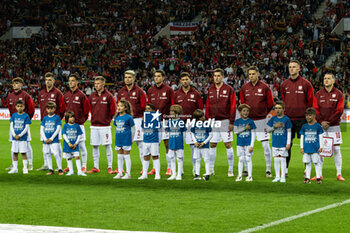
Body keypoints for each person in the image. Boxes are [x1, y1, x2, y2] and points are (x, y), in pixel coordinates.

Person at [280, 60, 314, 176]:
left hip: (303, 120)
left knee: (306, 145)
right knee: (287, 145)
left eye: (294, 67)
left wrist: (308, 117)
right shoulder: (284, 84)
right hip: (289, 119)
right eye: (290, 67)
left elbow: (310, 102)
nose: (292, 69)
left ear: (299, 68)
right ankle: (285, 170)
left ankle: (307, 171)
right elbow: (284, 101)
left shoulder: (306, 84)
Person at [240, 66, 274, 177]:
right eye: (249, 74)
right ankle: (245, 169)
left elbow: (270, 104)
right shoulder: (244, 88)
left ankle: (268, 169)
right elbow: (242, 104)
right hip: (248, 121)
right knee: (246, 146)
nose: (251, 76)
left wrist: (263, 113)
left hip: (261, 121)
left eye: (253, 74)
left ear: (258, 74)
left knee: (265, 146)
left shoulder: (265, 87)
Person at [313, 73, 345, 181]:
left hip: (334, 126)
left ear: (333, 81)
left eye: (328, 78)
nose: (326, 80)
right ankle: (319, 174)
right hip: (320, 126)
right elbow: (315, 109)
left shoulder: (339, 94)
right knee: (319, 149)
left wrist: (329, 122)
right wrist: (321, 121)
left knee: (336, 149)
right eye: (324, 78)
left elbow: (339, 110)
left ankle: (339, 173)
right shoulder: (318, 94)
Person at [205, 68, 236, 176]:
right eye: (215, 76)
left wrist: (231, 121)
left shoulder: (229, 89)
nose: (216, 78)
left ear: (223, 77)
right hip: (213, 121)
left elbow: (233, 106)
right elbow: (207, 105)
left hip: (225, 121)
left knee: (228, 144)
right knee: (212, 144)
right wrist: (207, 120)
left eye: (218, 76)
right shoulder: (210, 89)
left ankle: (230, 169)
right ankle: (211, 169)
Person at [174, 72, 203, 176]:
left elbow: (199, 109)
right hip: (179, 123)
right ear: (180, 81)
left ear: (190, 80)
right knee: (178, 147)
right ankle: (180, 170)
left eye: (186, 79)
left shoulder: (196, 94)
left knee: (194, 147)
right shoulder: (176, 94)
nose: (185, 81)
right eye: (183, 80)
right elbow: (173, 109)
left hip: (192, 123)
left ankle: (195, 169)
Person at [117, 70, 146, 174]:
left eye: (129, 77)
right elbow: (119, 106)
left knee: (140, 145)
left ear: (134, 78)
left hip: (137, 120)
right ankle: (121, 170)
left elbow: (143, 106)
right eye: (125, 77)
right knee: (122, 145)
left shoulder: (140, 92)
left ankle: (144, 168)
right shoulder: (121, 92)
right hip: (124, 121)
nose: (127, 79)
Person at [147, 70, 175, 176]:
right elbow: (149, 106)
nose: (156, 78)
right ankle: (155, 168)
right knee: (154, 145)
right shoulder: (150, 90)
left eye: (159, 76)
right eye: (155, 76)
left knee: (167, 144)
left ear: (163, 77)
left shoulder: (169, 90)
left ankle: (169, 168)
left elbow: (172, 105)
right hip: (154, 121)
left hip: (166, 120)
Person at [87, 76, 117, 174]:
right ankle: (96, 166)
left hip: (105, 126)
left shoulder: (109, 96)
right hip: (94, 125)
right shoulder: (92, 96)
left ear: (103, 84)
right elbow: (89, 108)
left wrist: (107, 119)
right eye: (95, 84)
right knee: (94, 146)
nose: (96, 86)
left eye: (98, 83)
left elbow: (113, 110)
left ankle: (109, 167)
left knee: (107, 146)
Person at [37, 72, 66, 171]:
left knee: (57, 144)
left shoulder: (58, 93)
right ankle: (46, 164)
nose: (48, 82)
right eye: (46, 80)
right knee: (45, 143)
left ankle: (59, 166)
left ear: (53, 81)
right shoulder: (41, 93)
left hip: (55, 123)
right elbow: (41, 108)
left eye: (50, 80)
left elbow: (62, 108)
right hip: (45, 123)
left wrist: (57, 119)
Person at [63, 72, 90, 173]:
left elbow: (86, 111)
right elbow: (63, 109)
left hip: (79, 125)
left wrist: (81, 121)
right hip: (69, 126)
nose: (70, 83)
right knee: (68, 145)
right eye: (69, 81)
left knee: (81, 146)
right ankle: (69, 166)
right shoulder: (66, 96)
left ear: (77, 82)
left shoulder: (82, 95)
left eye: (73, 80)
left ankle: (84, 166)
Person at [6, 77, 35, 171]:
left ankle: (30, 164)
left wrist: (26, 120)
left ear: (22, 84)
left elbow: (31, 109)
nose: (14, 85)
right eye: (13, 83)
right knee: (13, 144)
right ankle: (14, 165)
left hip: (24, 124)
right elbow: (10, 110)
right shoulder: (10, 96)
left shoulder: (26, 96)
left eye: (17, 83)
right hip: (14, 125)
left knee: (27, 144)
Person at [267, 101, 292, 183]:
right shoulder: (273, 119)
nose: (277, 110)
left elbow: (289, 132)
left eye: (279, 108)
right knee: (276, 159)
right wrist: (275, 126)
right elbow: (267, 130)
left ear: (283, 109)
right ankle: (277, 176)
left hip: (283, 143)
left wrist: (288, 143)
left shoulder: (286, 119)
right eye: (276, 108)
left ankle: (283, 177)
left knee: (283, 159)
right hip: (275, 142)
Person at [300, 108, 324, 184]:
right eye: (307, 115)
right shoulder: (304, 126)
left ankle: (318, 178)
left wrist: (321, 146)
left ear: (314, 115)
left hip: (315, 148)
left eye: (310, 115)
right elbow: (302, 137)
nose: (308, 117)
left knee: (316, 163)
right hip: (307, 148)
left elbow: (321, 136)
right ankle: (307, 178)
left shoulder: (318, 126)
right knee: (307, 163)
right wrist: (301, 147)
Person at [233, 104, 256, 182]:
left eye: (247, 111)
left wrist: (252, 145)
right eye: (244, 111)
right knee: (241, 159)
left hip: (248, 143)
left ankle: (250, 176)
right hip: (240, 143)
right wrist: (244, 128)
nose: (246, 112)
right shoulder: (237, 121)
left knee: (248, 159)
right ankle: (239, 175)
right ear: (240, 112)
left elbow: (253, 134)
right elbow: (235, 132)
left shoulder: (251, 121)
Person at [138, 103, 161, 180]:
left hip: (154, 140)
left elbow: (159, 130)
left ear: (153, 110)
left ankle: (157, 174)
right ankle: (144, 174)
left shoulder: (156, 118)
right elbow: (142, 129)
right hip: (145, 140)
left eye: (149, 109)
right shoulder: (144, 119)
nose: (147, 110)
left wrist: (158, 141)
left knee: (155, 156)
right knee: (145, 157)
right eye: (146, 109)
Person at [8, 100, 31, 174]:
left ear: (24, 107)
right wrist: (14, 135)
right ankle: (15, 168)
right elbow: (11, 126)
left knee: (23, 153)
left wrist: (20, 135)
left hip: (22, 138)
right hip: (14, 138)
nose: (19, 108)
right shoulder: (14, 115)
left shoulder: (26, 116)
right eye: (18, 106)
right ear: (16, 107)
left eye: (21, 106)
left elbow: (26, 127)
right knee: (15, 152)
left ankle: (25, 168)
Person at [113, 100, 135, 179]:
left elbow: (133, 129)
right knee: (119, 156)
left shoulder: (129, 117)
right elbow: (116, 126)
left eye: (121, 106)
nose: (119, 107)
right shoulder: (117, 117)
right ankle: (120, 172)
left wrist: (132, 139)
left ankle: (128, 173)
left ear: (125, 108)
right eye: (118, 106)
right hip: (118, 139)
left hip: (126, 139)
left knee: (126, 156)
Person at [190, 109, 213, 181]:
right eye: (202, 116)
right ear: (199, 118)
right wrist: (195, 142)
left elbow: (211, 135)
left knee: (206, 160)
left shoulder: (207, 124)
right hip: (197, 146)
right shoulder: (194, 125)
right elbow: (192, 133)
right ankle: (197, 175)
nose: (204, 117)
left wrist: (204, 142)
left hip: (205, 146)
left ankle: (207, 174)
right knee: (197, 160)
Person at [40, 102, 63, 175]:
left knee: (56, 154)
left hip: (54, 140)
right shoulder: (45, 118)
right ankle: (51, 169)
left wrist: (52, 138)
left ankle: (60, 169)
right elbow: (42, 129)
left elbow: (58, 128)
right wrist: (44, 138)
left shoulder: (57, 117)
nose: (50, 110)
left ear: (54, 109)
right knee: (47, 154)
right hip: (46, 140)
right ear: (46, 109)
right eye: (48, 109)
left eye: (52, 108)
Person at [62, 111, 86, 176]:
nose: (72, 119)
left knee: (77, 157)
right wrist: (68, 143)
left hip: (75, 145)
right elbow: (64, 135)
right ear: (67, 118)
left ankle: (79, 171)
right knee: (69, 158)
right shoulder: (65, 126)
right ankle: (71, 171)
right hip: (67, 145)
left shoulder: (77, 126)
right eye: (70, 117)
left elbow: (79, 135)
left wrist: (76, 143)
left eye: (73, 117)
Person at [166, 105, 186, 181]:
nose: (170, 113)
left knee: (179, 158)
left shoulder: (181, 122)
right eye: (170, 111)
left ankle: (179, 174)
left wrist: (182, 141)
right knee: (172, 158)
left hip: (179, 143)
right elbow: (168, 131)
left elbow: (183, 132)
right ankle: (173, 174)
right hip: (171, 142)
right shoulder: (169, 122)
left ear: (177, 113)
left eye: (172, 111)